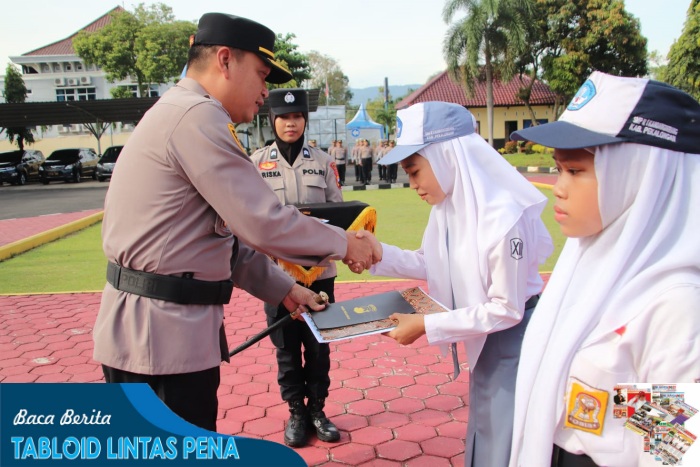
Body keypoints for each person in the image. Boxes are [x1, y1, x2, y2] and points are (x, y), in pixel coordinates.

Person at [93, 12, 375, 432]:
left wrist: (287, 290)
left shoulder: (183, 112)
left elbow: (223, 239)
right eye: (261, 75)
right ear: (224, 60)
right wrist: (345, 243)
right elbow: (262, 222)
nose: (265, 92)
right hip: (158, 340)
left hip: (158, 334)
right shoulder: (196, 117)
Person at [508, 71, 700, 467]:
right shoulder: (587, 261)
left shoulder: (673, 306)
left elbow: (670, 453)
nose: (558, 187)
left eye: (575, 171)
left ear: (640, 176)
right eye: (558, 169)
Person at [354, 101, 553, 467]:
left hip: (512, 341)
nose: (411, 184)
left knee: (506, 440)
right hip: (488, 338)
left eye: (414, 171)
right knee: (488, 431)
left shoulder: (503, 216)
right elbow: (437, 262)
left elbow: (506, 308)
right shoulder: (449, 209)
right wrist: (379, 252)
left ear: (446, 155)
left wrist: (427, 324)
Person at [249, 88, 342, 447]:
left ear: (305, 120)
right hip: (276, 276)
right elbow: (251, 220)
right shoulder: (256, 164)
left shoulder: (322, 161)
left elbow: (338, 215)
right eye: (284, 117)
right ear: (272, 120)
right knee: (286, 348)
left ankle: (318, 409)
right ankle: (296, 413)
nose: (291, 123)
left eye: (297, 117)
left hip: (319, 274)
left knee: (319, 346)